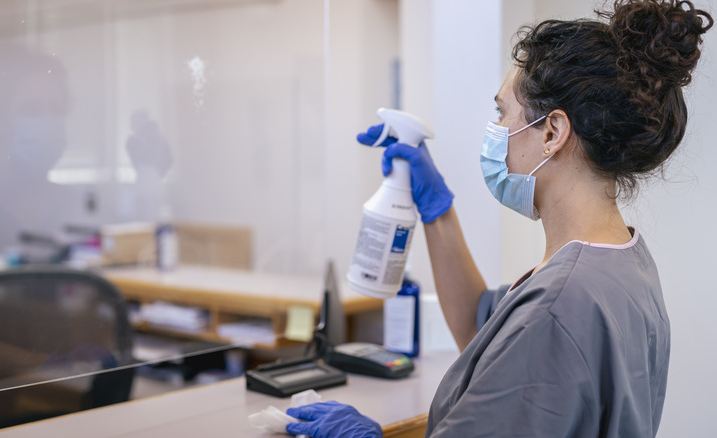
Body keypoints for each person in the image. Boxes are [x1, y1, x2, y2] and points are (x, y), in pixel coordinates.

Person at [285, 1, 712, 437]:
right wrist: (438, 211)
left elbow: (532, 338)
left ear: (552, 133)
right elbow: (483, 328)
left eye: (502, 113)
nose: (495, 130)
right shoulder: (621, 260)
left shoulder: (562, 302)